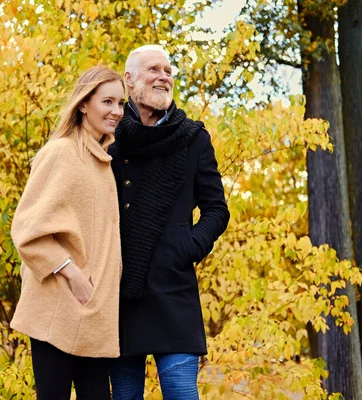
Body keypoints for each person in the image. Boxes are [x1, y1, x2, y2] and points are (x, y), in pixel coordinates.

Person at [108, 45, 230, 399]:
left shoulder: (192, 137)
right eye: (154, 70)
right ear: (129, 80)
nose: (164, 76)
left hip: (172, 288)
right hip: (120, 290)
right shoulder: (109, 136)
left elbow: (216, 209)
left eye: (169, 71)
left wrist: (187, 245)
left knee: (181, 393)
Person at [10, 66, 125, 400]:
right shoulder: (61, 153)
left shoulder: (102, 160)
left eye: (120, 103)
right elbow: (28, 229)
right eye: (107, 101)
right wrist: (72, 273)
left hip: (93, 311)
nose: (117, 111)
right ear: (84, 104)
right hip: (58, 303)